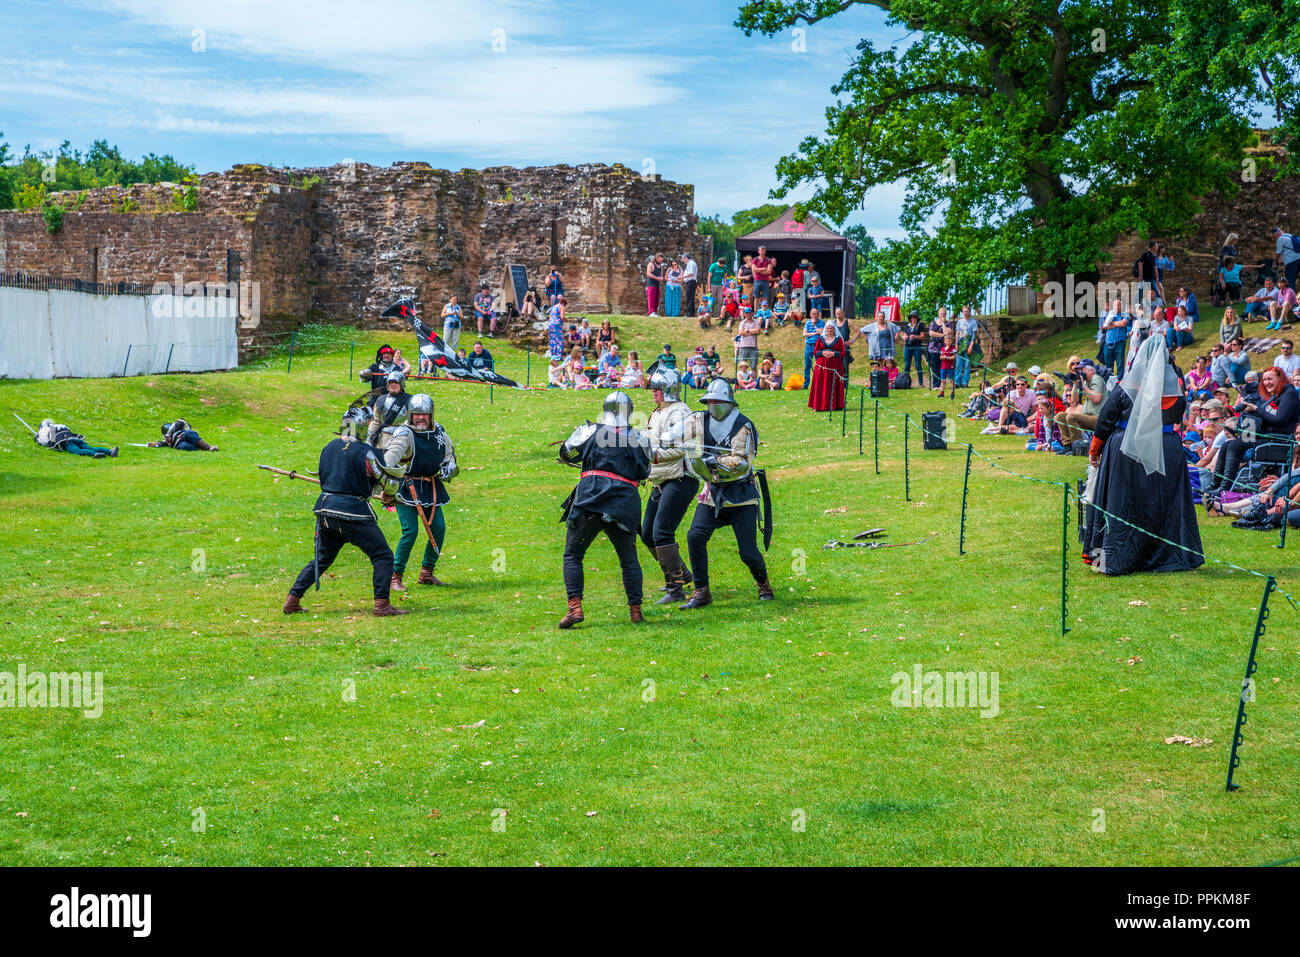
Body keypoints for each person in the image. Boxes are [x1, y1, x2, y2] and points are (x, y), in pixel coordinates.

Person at [1083, 336, 1203, 574]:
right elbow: (1177, 419)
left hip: (1129, 449)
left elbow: (1105, 422)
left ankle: (1118, 557)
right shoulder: (1177, 391)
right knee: (1161, 504)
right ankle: (1165, 556)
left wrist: (1094, 451)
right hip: (1167, 450)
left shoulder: (1127, 388)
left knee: (1125, 504)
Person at [283, 406, 411, 617]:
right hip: (353, 514)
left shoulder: (328, 448)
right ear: (363, 427)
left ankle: (292, 600)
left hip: (325, 510)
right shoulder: (367, 452)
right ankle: (382, 605)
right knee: (383, 556)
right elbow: (386, 481)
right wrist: (390, 495)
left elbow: (325, 479)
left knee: (322, 559)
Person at [556, 392, 652, 627]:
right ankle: (635, 611)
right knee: (628, 559)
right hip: (622, 502)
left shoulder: (590, 431)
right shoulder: (639, 437)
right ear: (629, 411)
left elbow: (566, 451)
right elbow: (644, 472)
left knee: (573, 555)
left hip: (590, 498)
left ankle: (575, 608)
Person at [679, 379, 772, 609]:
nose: (713, 404)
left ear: (728, 402)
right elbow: (677, 435)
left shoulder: (742, 425)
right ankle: (702, 592)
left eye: (718, 400)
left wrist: (714, 460)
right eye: (710, 400)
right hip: (713, 494)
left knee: (748, 552)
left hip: (741, 496)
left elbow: (741, 462)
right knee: (695, 536)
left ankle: (764, 585)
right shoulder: (699, 420)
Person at [639, 367, 701, 604]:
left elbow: (684, 448)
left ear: (670, 389)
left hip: (680, 479)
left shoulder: (680, 412)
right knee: (647, 534)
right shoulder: (658, 412)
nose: (654, 392)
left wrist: (652, 456)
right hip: (661, 480)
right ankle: (682, 574)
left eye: (658, 388)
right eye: (653, 388)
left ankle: (675, 588)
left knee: (662, 532)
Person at [391, 393, 458, 591]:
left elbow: (449, 456)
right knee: (410, 531)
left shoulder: (439, 432)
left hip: (431, 487)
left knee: (438, 528)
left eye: (425, 414)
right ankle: (395, 576)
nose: (421, 418)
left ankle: (426, 572)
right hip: (406, 487)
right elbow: (390, 458)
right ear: (411, 415)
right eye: (417, 414)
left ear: (431, 415)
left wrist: (449, 467)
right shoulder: (404, 434)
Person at [1210, 366, 1299, 491]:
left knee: (1236, 445)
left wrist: (1256, 409)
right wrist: (1249, 414)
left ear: (1280, 378)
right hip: (1266, 437)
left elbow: (1280, 420)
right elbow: (1265, 419)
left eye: (1270, 379)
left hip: (1279, 440)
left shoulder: (1289, 394)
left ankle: (1224, 488)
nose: (1267, 382)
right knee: (1226, 445)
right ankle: (1214, 484)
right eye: (1264, 379)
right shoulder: (1275, 395)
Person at [808, 322, 847, 412]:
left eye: (831, 329)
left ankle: (834, 405)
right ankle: (818, 405)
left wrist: (834, 353)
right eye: (828, 328)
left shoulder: (839, 340)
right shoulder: (821, 339)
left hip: (835, 367)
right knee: (820, 385)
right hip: (822, 367)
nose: (829, 330)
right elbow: (815, 351)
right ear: (826, 329)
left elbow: (842, 353)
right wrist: (822, 353)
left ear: (834, 330)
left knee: (832, 384)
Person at [33, 419, 117, 458]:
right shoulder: (60, 425)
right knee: (90, 447)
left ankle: (95, 454)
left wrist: (37, 438)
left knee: (77, 451)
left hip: (66, 442)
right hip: (75, 438)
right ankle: (110, 451)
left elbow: (45, 441)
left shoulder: (45, 429)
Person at [367, 370, 411, 444]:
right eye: (391, 382)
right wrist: (369, 437)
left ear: (401, 384)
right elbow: (375, 421)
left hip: (403, 437)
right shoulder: (381, 399)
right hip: (383, 437)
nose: (393, 385)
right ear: (387, 384)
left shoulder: (410, 400)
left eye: (396, 382)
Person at [148, 418, 218, 451]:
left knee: (189, 434)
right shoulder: (166, 439)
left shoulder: (178, 427)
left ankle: (208, 447)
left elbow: (181, 422)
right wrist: (155, 444)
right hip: (179, 444)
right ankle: (201, 449)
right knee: (184, 446)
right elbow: (162, 443)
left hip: (184, 435)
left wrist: (170, 431)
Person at [955, 305, 981, 387]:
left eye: (967, 311)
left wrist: (971, 346)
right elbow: (957, 333)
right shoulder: (960, 321)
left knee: (967, 364)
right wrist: (956, 343)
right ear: (962, 312)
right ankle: (957, 382)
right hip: (960, 343)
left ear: (969, 312)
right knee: (958, 364)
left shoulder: (973, 321)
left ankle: (965, 382)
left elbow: (974, 335)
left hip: (969, 342)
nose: (965, 313)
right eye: (964, 311)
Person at [802, 308, 825, 387]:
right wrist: (815, 333)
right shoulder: (807, 323)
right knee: (807, 365)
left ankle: (819, 383)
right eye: (813, 314)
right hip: (809, 346)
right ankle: (805, 384)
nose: (814, 316)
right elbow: (804, 334)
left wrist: (814, 325)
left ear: (818, 315)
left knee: (819, 365)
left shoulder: (822, 322)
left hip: (818, 346)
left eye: (816, 314)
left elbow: (821, 332)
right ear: (810, 315)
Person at [937, 332, 958, 399]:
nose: (948, 342)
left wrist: (947, 357)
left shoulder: (953, 349)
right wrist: (942, 357)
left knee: (951, 380)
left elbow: (954, 357)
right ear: (944, 341)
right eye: (947, 341)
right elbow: (940, 356)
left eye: (949, 341)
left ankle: (952, 392)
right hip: (943, 367)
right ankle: (942, 393)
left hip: (950, 367)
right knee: (942, 380)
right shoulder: (942, 349)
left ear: (952, 341)